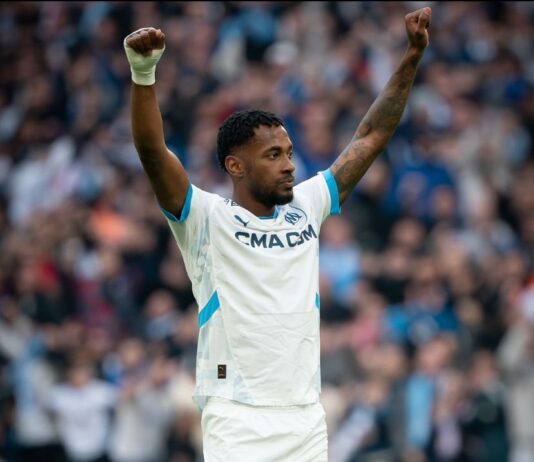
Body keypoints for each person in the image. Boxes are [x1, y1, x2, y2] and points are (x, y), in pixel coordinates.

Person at [123, 6, 431, 461]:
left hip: (305, 417)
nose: (289, 164)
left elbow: (370, 136)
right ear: (235, 166)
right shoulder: (204, 218)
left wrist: (412, 56)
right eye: (273, 155)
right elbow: (152, 151)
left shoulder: (307, 205)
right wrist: (143, 73)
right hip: (237, 418)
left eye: (288, 152)